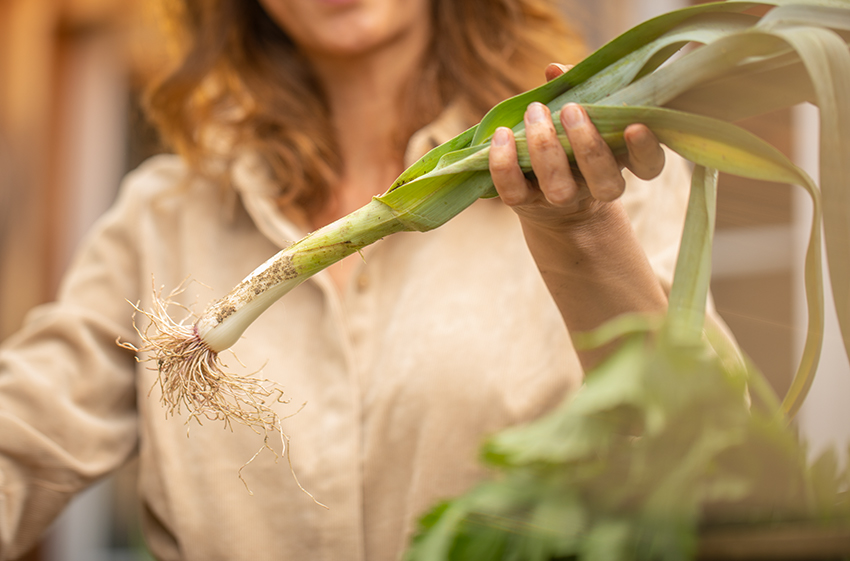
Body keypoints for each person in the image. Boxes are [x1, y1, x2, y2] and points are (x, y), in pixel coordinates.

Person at [0, 0, 697, 559]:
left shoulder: (592, 171)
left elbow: (708, 464)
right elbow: (21, 438)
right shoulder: (161, 216)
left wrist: (581, 232)